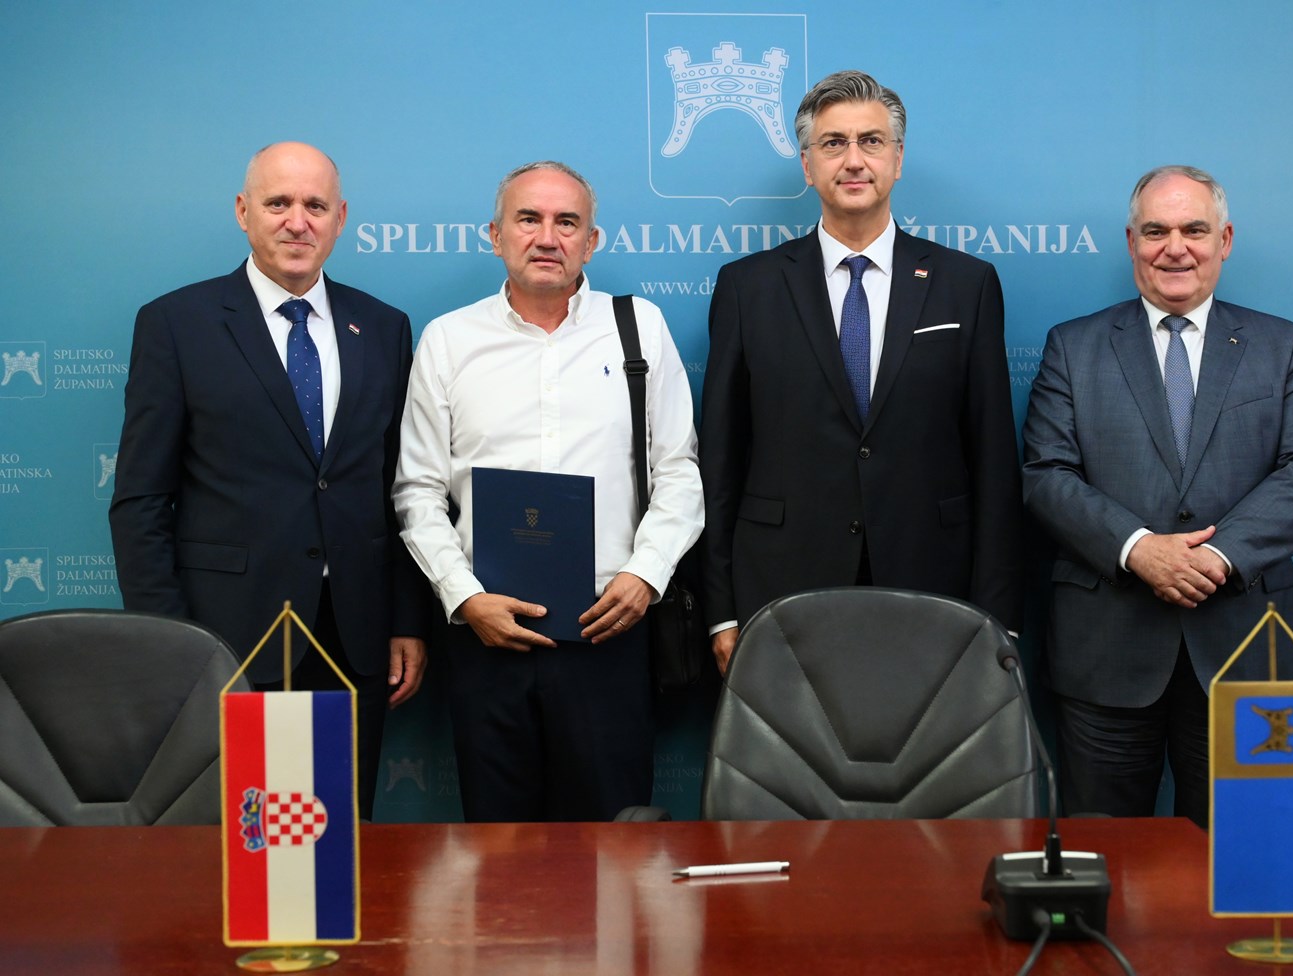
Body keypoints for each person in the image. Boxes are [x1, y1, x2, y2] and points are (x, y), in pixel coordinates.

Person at [110, 141, 429, 819]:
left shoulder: (383, 327)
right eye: (278, 203)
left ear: (340, 217)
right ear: (243, 211)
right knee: (246, 844)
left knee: (337, 840)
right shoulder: (176, 324)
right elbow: (141, 501)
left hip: (355, 636)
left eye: (315, 205)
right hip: (230, 637)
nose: (297, 222)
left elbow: (398, 490)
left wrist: (407, 619)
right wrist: (170, 642)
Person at [1021, 165, 1293, 827]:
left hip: (1246, 648)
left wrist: (1217, 557)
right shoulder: (1073, 347)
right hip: (1105, 653)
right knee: (1103, 859)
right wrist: (1139, 550)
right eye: (1155, 231)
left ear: (1225, 240)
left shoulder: (1281, 345)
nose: (1175, 248)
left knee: (1248, 852)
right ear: (1131, 241)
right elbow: (1046, 474)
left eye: (1194, 229)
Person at [393, 161, 703, 822]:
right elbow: (418, 491)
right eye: (528, 219)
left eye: (567, 222)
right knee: (498, 850)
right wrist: (464, 597)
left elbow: (679, 470)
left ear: (591, 241)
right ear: (495, 235)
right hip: (486, 639)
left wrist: (645, 576)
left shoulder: (638, 327)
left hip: (609, 631)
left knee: (613, 849)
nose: (546, 237)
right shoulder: (448, 340)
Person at [700, 70, 1022, 673]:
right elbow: (721, 460)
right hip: (782, 586)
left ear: (897, 159)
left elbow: (994, 460)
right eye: (833, 143)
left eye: (871, 141)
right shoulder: (747, 287)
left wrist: (997, 616)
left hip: (933, 585)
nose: (853, 160)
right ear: (807, 165)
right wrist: (721, 611)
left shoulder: (966, 284)